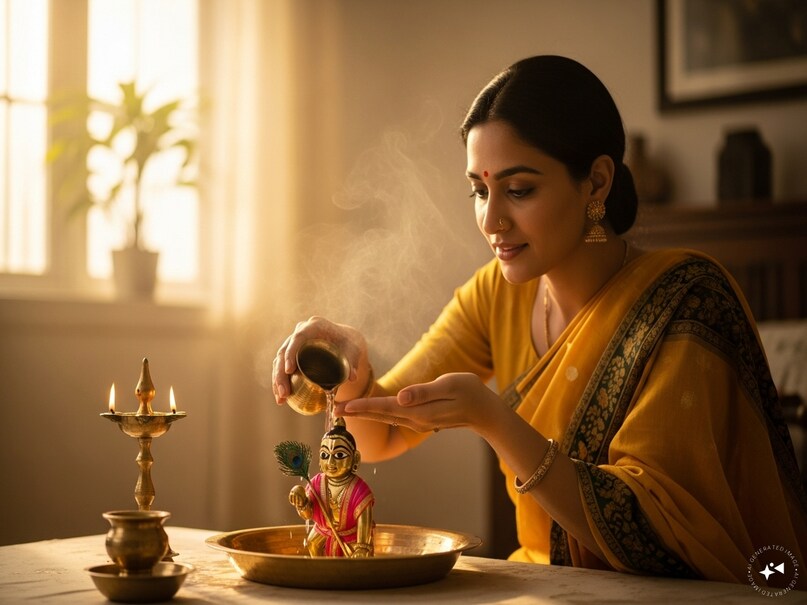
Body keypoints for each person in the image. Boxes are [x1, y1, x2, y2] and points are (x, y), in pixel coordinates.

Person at [273, 55, 807, 587]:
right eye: (479, 191)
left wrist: (495, 420)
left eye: (519, 189)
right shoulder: (496, 294)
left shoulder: (686, 300)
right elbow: (379, 437)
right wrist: (349, 366)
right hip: (536, 588)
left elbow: (656, 539)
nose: (491, 220)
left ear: (596, 183)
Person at [287, 417, 375, 557]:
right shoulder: (317, 483)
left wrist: (362, 547)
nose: (330, 462)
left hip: (352, 534)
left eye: (339, 455)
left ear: (355, 458)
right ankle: (320, 572)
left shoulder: (359, 489)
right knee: (312, 542)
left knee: (359, 559)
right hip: (324, 529)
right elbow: (307, 515)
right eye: (325, 455)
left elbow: (365, 522)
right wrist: (301, 500)